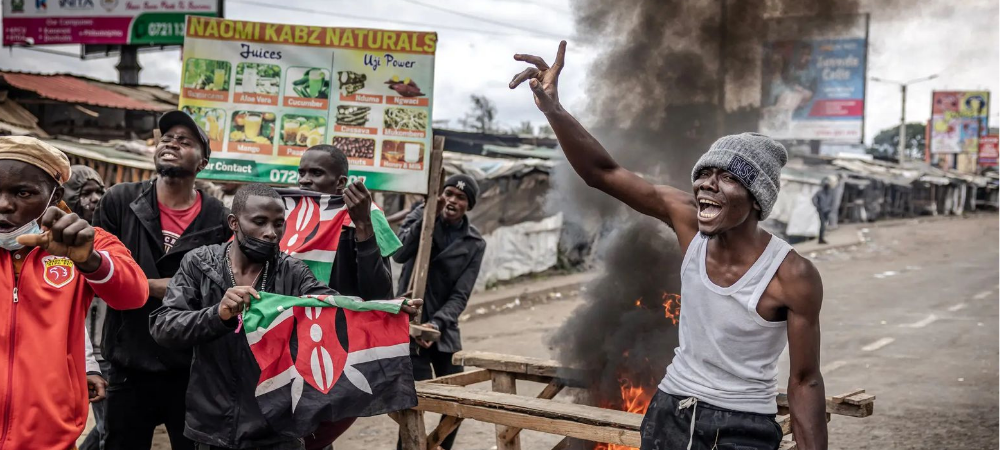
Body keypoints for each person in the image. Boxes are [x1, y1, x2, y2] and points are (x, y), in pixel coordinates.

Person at [510, 42, 826, 450]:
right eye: (704, 173)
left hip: (742, 425)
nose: (707, 184)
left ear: (756, 198)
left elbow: (805, 380)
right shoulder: (687, 219)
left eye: (727, 177)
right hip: (670, 411)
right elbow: (602, 172)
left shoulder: (791, 274)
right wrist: (553, 108)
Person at [149, 183, 420, 450]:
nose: (271, 233)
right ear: (234, 222)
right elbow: (164, 326)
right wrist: (217, 315)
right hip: (212, 429)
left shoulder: (293, 272)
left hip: (278, 429)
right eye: (260, 222)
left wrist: (387, 312)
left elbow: (337, 310)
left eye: (279, 224)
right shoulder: (199, 264)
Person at [92, 110, 232, 450]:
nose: (171, 144)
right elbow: (99, 271)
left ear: (203, 162)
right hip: (128, 362)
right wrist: (159, 286)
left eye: (185, 141)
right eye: (167, 138)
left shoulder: (218, 217)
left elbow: (221, 286)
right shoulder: (120, 201)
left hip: (191, 367)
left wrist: (140, 284)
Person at [0, 136, 148, 450]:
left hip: (50, 437)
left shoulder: (90, 242)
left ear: (55, 196)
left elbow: (134, 294)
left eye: (22, 192)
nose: (4, 204)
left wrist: (90, 260)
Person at [296, 145, 395, 449]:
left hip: (341, 345)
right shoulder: (289, 216)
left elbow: (379, 294)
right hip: (295, 342)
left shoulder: (366, 218)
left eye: (316, 173)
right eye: (302, 172)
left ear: (341, 182)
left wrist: (363, 225)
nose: (305, 180)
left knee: (318, 430)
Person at [393, 174, 487, 450]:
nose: (451, 200)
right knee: (416, 403)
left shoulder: (474, 243)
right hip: (410, 323)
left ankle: (441, 447)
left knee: (457, 402)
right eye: (448, 193)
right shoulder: (420, 215)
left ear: (468, 205)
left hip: (443, 328)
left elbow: (460, 295)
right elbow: (398, 254)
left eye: (460, 197)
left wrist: (436, 324)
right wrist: (427, 218)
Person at [812, 177, 837, 245]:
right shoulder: (820, 192)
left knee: (824, 224)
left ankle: (822, 238)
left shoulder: (830, 193)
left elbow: (833, 201)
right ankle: (821, 239)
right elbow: (813, 199)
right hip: (821, 210)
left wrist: (830, 208)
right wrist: (817, 206)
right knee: (822, 224)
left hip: (827, 210)